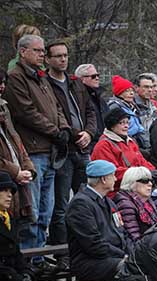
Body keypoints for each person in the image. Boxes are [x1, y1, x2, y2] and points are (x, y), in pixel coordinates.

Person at [4, 35, 70, 252]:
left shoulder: (41, 76)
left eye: (43, 51)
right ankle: (29, 256)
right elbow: (26, 112)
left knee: (46, 210)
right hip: (33, 150)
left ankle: (40, 256)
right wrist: (54, 131)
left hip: (49, 149)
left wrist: (64, 129)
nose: (42, 54)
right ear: (23, 52)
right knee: (31, 211)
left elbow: (56, 106)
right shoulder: (16, 77)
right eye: (37, 51)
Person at [65, 160, 138, 281]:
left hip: (109, 257)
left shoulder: (108, 202)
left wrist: (131, 253)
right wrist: (124, 255)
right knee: (126, 268)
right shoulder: (81, 204)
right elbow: (93, 244)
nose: (115, 179)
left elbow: (123, 233)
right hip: (88, 262)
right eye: (113, 175)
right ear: (104, 179)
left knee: (141, 267)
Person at [45, 41, 97, 247]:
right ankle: (61, 252)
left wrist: (90, 133)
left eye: (65, 55)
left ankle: (82, 246)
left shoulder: (75, 82)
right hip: (64, 150)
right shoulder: (45, 84)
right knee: (61, 205)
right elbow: (57, 117)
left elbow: (90, 111)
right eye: (58, 56)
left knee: (86, 200)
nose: (63, 59)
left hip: (84, 149)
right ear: (48, 59)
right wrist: (77, 135)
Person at [0, 69, 35, 230]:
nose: (1, 87)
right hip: (6, 179)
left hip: (17, 180)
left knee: (20, 225)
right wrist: (16, 172)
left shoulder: (4, 108)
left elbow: (16, 140)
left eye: (3, 83)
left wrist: (28, 168)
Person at [91, 108, 156, 194]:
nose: (126, 126)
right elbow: (112, 173)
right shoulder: (104, 145)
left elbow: (141, 161)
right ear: (112, 125)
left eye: (127, 122)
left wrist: (152, 171)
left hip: (134, 187)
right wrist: (143, 174)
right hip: (115, 192)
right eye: (121, 123)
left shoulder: (130, 142)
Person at [113, 167, 157, 241]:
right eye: (145, 181)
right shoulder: (125, 204)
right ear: (132, 183)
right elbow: (134, 236)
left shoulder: (147, 201)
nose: (150, 184)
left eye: (151, 181)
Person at [107, 75, 148, 155]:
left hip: (138, 141)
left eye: (132, 90)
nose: (131, 93)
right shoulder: (115, 107)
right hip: (125, 142)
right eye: (127, 91)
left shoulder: (132, 106)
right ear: (119, 93)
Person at [75, 63, 109, 152]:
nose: (97, 78)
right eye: (93, 76)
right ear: (82, 79)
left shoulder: (100, 99)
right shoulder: (78, 98)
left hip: (104, 143)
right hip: (88, 145)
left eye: (98, 75)